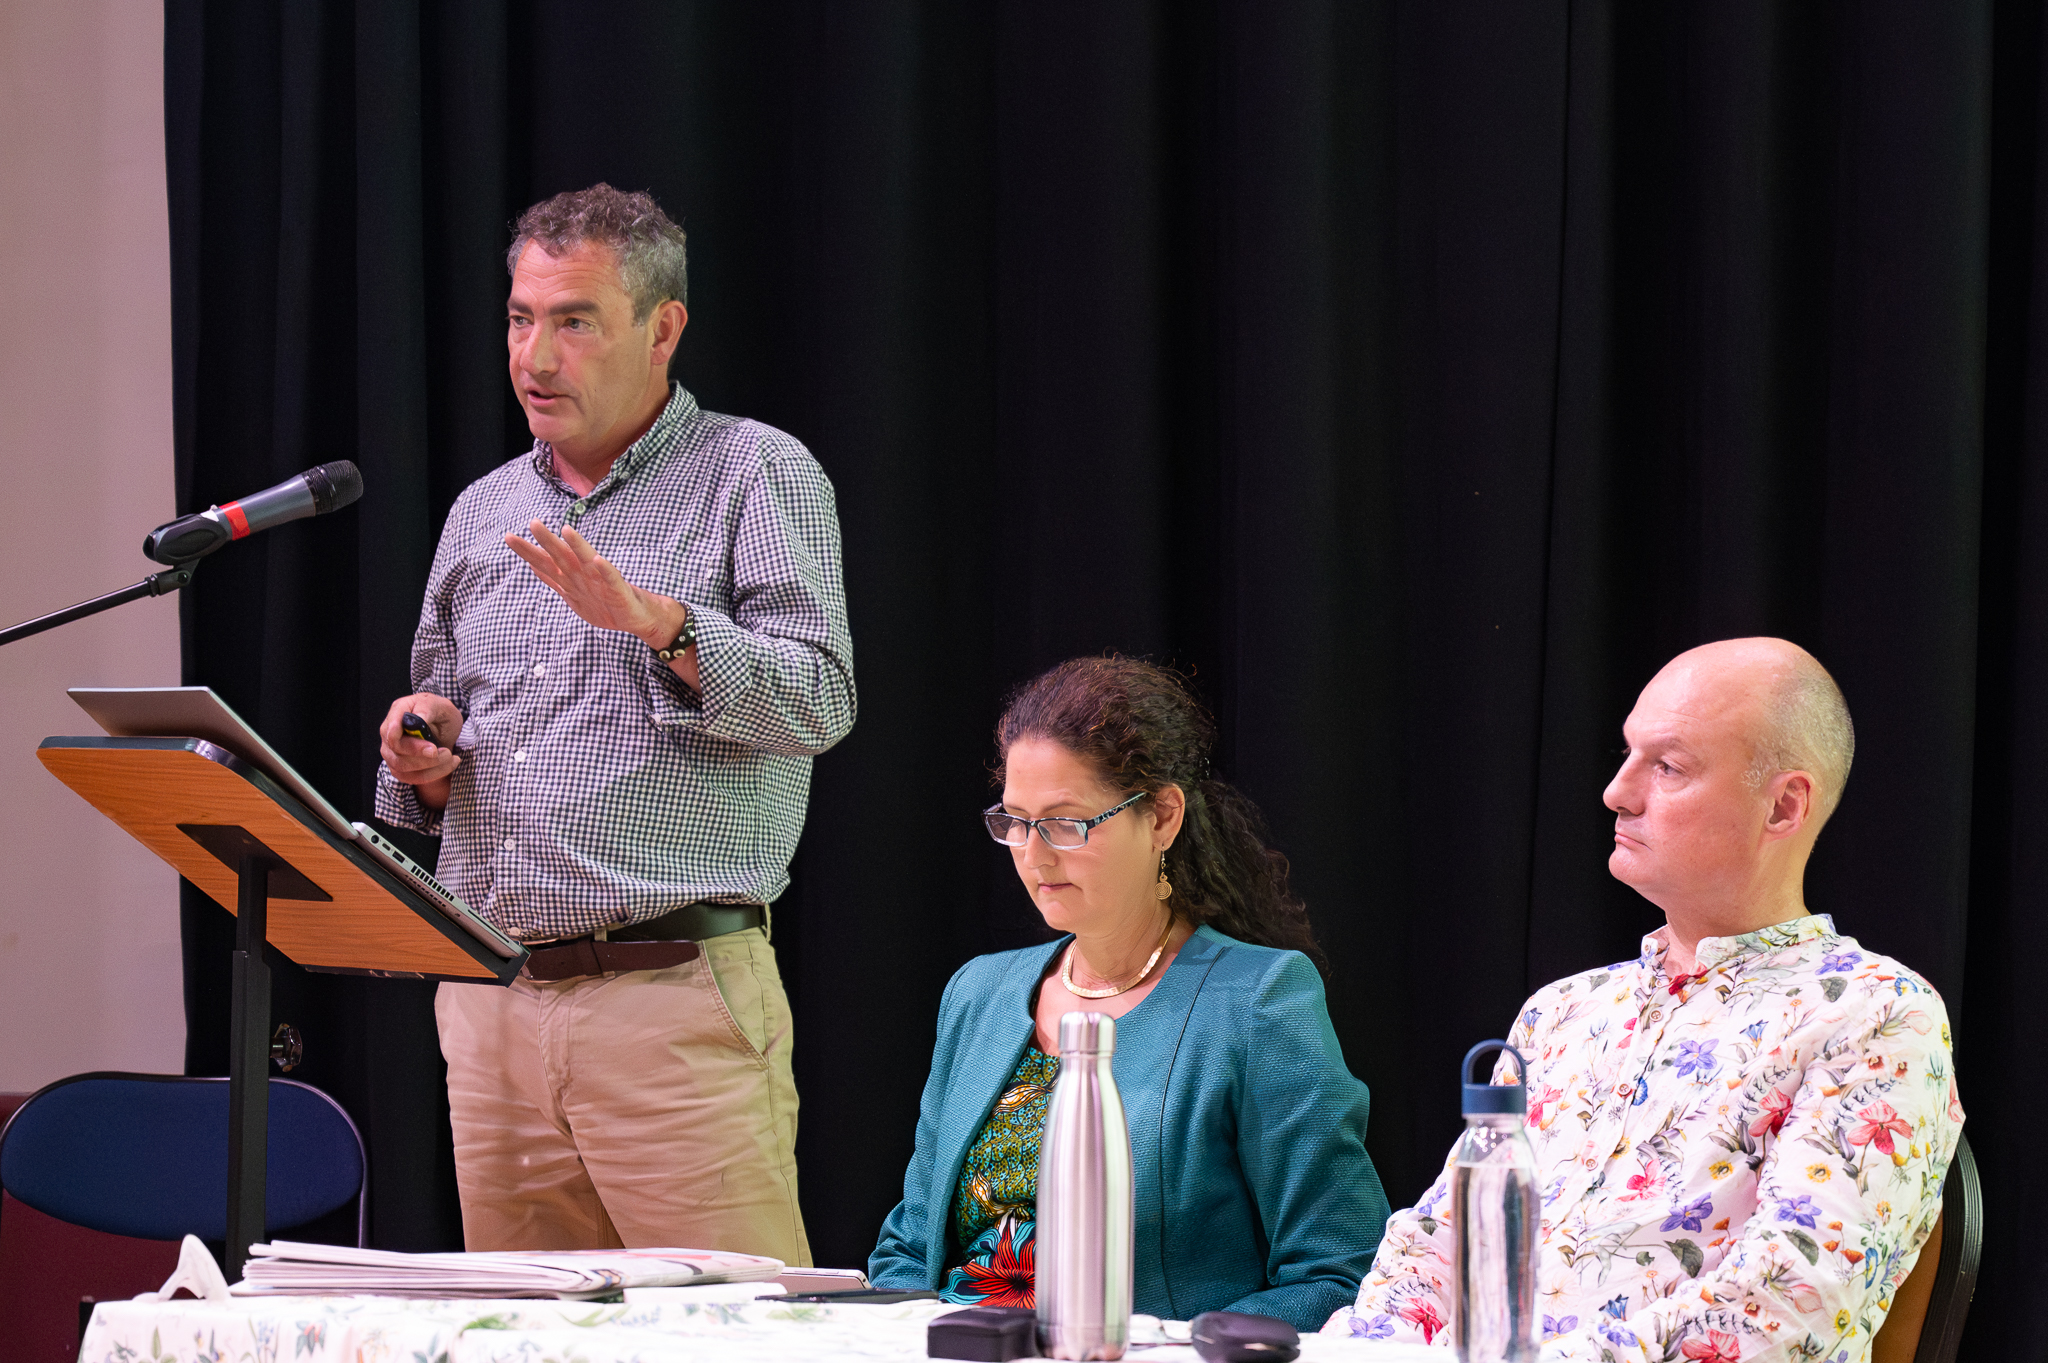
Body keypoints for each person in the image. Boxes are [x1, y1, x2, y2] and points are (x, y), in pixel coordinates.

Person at [374, 184, 854, 1263]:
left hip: (668, 1003)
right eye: (519, 317)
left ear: (662, 328)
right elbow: (439, 746)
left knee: (730, 1341)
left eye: (574, 319)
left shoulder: (752, 472)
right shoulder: (482, 511)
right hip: (491, 1005)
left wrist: (656, 622)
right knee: (520, 1334)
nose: (535, 354)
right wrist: (420, 747)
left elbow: (820, 700)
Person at [1327, 639, 1963, 1361]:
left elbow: (1788, 1312)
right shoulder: (1560, 1013)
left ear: (1784, 804)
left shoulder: (1876, 1015)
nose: (1618, 791)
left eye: (1667, 766)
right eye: (1628, 756)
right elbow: (1439, 1248)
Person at [869, 657, 1389, 1331]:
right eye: (1017, 821)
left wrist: (1176, 1350)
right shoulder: (979, 993)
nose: (1034, 853)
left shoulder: (1257, 999)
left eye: (1066, 822)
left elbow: (1340, 1271)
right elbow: (908, 1249)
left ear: (1163, 817)